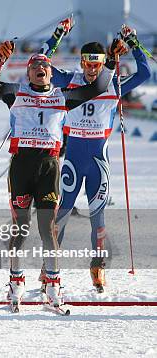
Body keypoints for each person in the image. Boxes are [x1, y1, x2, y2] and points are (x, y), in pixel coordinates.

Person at [0, 39, 123, 311]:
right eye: (35, 66)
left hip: (48, 167)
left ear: (50, 72)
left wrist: (110, 60)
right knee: (21, 228)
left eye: (45, 66)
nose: (40, 68)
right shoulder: (16, 93)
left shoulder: (63, 96)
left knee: (48, 229)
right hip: (22, 166)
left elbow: (98, 87)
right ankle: (16, 283)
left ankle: (53, 287)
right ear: (28, 73)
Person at [43, 20, 150, 293]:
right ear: (81, 62)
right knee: (62, 214)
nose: (92, 70)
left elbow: (145, 73)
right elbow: (41, 64)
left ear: (104, 63)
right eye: (88, 64)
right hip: (73, 158)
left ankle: (97, 267)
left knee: (97, 217)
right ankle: (49, 269)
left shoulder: (113, 83)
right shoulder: (69, 80)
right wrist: (58, 35)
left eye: (97, 64)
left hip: (98, 162)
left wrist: (134, 42)